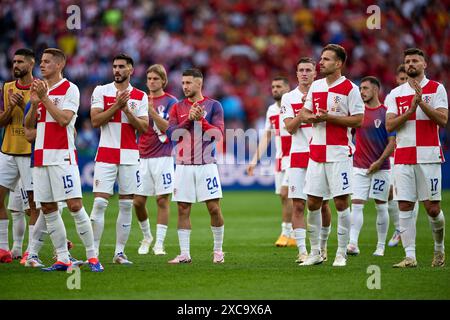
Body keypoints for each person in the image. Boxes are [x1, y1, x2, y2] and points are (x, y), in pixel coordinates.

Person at [24, 48, 102, 271]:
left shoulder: (71, 89)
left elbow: (64, 120)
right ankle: (62, 258)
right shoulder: (38, 90)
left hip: (62, 155)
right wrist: (35, 103)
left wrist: (45, 99)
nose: (42, 65)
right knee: (48, 207)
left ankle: (92, 257)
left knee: (75, 204)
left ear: (59, 65)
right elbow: (29, 130)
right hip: (40, 157)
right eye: (41, 61)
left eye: (47, 62)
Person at [300, 44, 364, 267]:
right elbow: (305, 113)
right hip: (316, 152)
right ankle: (315, 252)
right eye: (321, 58)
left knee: (340, 202)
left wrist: (330, 118)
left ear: (338, 63)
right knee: (313, 202)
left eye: (326, 59)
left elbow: (358, 120)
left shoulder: (350, 89)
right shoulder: (316, 86)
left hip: (339, 153)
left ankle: (340, 253)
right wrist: (313, 118)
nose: (321, 62)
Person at [386, 48, 448, 268]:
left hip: (429, 155)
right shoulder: (395, 93)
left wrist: (421, 103)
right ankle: (410, 256)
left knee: (432, 208)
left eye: (415, 60)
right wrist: (410, 109)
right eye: (407, 61)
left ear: (425, 64)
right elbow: (390, 125)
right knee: (404, 205)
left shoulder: (436, 88)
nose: (410, 64)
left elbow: (443, 120)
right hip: (403, 156)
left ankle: (439, 250)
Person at [89, 53, 149, 264]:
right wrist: (116, 106)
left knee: (126, 205)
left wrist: (127, 111)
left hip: (130, 155)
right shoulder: (101, 91)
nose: (117, 70)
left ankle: (119, 253)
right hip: (106, 152)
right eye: (115, 66)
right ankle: (93, 253)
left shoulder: (141, 96)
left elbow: (144, 128)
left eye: (122, 67)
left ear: (131, 70)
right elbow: (95, 121)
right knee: (98, 203)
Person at [166, 68, 225, 264]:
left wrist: (201, 120)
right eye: (183, 83)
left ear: (199, 83)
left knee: (214, 208)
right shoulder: (177, 107)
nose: (184, 86)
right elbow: (171, 134)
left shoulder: (214, 106)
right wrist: (189, 120)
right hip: (183, 165)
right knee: (183, 208)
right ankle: (184, 254)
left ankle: (218, 251)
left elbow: (218, 135)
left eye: (188, 83)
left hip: (206, 164)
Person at [280, 57, 332, 264]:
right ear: (296, 74)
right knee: (298, 205)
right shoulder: (288, 98)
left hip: (322, 154)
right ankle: (303, 251)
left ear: (315, 73)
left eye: (308, 70)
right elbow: (290, 128)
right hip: (299, 156)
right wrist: (302, 114)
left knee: (323, 205)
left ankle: (323, 246)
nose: (304, 73)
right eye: (300, 70)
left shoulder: (325, 94)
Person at [347, 76, 395, 257]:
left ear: (375, 90)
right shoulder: (358, 113)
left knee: (381, 206)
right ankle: (353, 244)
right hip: (359, 166)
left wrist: (379, 161)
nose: (362, 92)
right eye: (360, 89)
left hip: (381, 168)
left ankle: (380, 246)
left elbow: (392, 142)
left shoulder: (386, 113)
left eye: (365, 89)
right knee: (357, 204)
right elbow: (349, 135)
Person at [134, 64, 177, 255]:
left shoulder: (171, 102)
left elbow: (172, 129)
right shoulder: (139, 99)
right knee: (138, 202)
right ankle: (147, 236)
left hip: (163, 156)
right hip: (142, 155)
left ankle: (159, 243)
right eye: (149, 79)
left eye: (156, 79)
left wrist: (152, 112)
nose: (152, 82)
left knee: (162, 200)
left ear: (163, 81)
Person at [247, 77, 295, 247]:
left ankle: (286, 232)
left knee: (286, 193)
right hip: (280, 158)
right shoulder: (271, 110)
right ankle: (295, 234)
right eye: (273, 86)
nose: (275, 89)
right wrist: (254, 160)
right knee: (284, 198)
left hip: (295, 156)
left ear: (288, 88)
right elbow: (267, 136)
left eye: (279, 86)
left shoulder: (296, 104)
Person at [0, 48, 38, 263]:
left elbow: (42, 120)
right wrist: (10, 107)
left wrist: (23, 105)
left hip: (29, 152)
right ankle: (3, 249)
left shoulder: (40, 88)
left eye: (20, 62)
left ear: (31, 64)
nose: (16, 65)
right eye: (14, 61)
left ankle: (30, 251)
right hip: (7, 150)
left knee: (33, 205)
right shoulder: (6, 88)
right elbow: (1, 121)